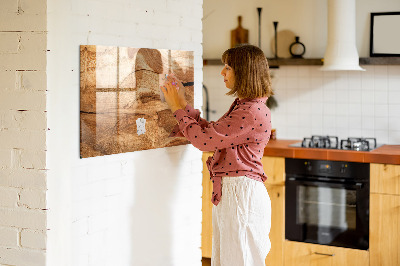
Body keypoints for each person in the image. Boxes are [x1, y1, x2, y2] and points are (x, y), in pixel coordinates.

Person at [161, 44, 273, 266]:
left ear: (244, 72)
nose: (222, 72)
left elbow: (204, 141)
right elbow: (212, 133)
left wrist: (176, 108)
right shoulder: (246, 106)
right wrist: (183, 104)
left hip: (241, 195)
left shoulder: (250, 111)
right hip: (236, 193)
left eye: (228, 67)